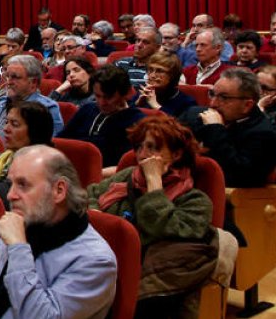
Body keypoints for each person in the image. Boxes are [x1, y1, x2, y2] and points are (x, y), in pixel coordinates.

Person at [0, 145, 117, 319]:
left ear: (59, 190)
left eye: (23, 185)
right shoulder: (25, 222)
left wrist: (18, 248)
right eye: (10, 184)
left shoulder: (95, 261)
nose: (10, 195)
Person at [88, 117, 217, 318]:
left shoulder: (195, 201)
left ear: (176, 154)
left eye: (153, 148)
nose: (142, 155)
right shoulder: (128, 176)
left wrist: (154, 183)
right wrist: (96, 213)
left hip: (151, 289)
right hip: (101, 262)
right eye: (139, 147)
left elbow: (159, 228)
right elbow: (90, 194)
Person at [180, 68, 276, 188]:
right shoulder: (194, 114)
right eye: (212, 94)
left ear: (247, 105)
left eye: (223, 98)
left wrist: (215, 129)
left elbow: (236, 175)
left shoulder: (264, 135)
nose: (213, 103)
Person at [59, 65, 146, 171]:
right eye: (97, 96)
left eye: (108, 97)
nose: (101, 102)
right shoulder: (88, 108)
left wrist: (90, 175)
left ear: (125, 94)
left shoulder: (137, 122)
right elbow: (61, 141)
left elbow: (129, 167)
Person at [0, 100, 55, 206]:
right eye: (6, 122)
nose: (5, 129)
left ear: (35, 131)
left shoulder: (43, 169)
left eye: (15, 124)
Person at [0, 55, 63, 138]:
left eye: (15, 77)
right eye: (8, 76)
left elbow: (47, 146)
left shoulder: (47, 108)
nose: (8, 82)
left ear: (33, 83)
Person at [134, 51, 196, 117]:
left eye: (159, 71)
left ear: (173, 75)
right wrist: (137, 104)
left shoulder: (187, 102)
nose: (152, 75)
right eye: (150, 70)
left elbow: (178, 125)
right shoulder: (142, 93)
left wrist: (156, 106)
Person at [115, 27, 160, 92]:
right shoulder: (121, 63)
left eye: (145, 42)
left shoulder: (159, 69)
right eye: (138, 40)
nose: (139, 45)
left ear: (157, 47)